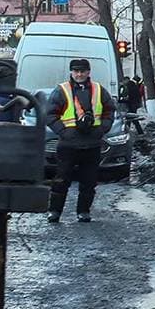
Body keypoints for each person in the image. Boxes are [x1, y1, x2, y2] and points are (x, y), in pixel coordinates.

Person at [43, 58, 114, 224]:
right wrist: (63, 132)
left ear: (88, 72)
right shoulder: (62, 90)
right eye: (76, 71)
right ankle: (54, 211)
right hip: (68, 144)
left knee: (89, 181)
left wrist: (102, 129)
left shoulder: (98, 90)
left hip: (92, 143)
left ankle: (83, 212)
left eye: (83, 71)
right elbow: (50, 114)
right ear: (71, 72)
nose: (79, 74)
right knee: (61, 180)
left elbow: (109, 111)